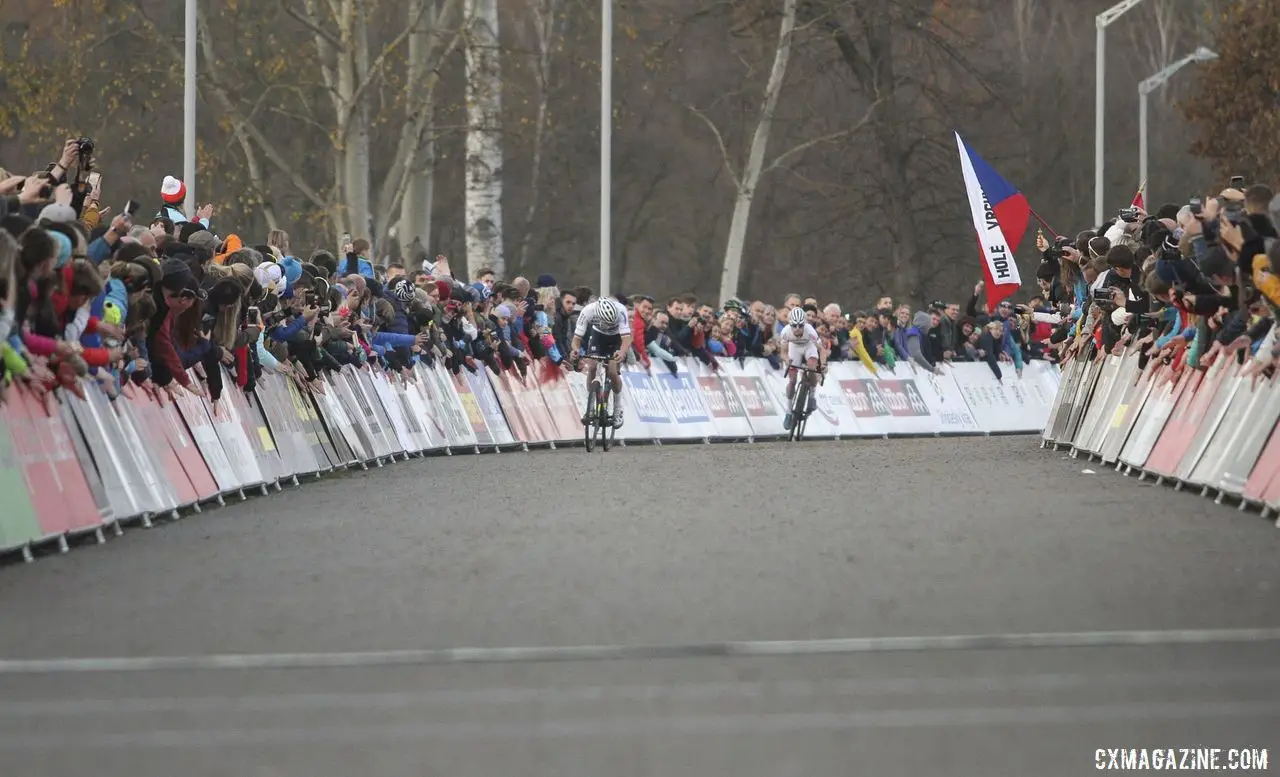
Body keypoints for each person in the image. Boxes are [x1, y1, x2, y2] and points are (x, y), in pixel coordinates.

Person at [569, 295, 632, 428]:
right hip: (598, 336)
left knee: (612, 371)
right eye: (606, 322)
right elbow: (576, 339)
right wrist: (575, 351)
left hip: (616, 339)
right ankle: (590, 407)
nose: (609, 325)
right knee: (592, 367)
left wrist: (622, 352)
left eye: (611, 322)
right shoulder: (588, 311)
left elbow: (626, 338)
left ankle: (618, 408)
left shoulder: (621, 311)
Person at [777, 306, 823, 430]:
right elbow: (783, 352)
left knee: (812, 368)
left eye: (800, 326)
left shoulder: (810, 331)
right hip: (794, 349)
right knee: (792, 381)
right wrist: (787, 360)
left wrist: (823, 364)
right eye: (794, 326)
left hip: (809, 347)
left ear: (805, 324)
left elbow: (821, 350)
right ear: (789, 324)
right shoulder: (786, 332)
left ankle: (812, 394)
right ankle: (788, 411)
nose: (797, 329)